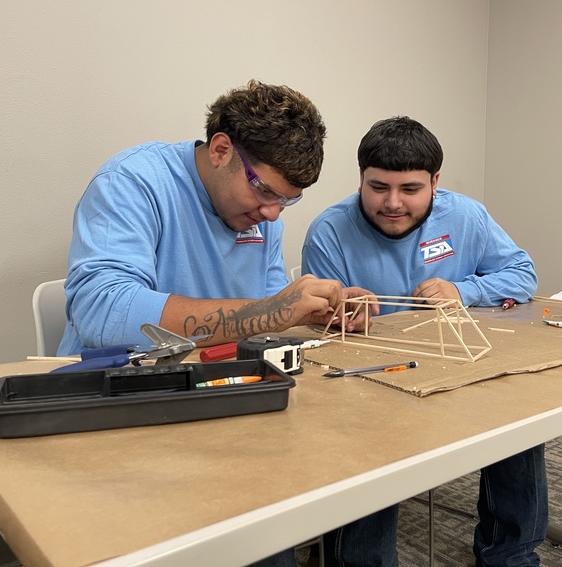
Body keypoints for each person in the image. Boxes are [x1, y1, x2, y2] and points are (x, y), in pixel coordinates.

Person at [57, 80, 374, 567]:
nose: (271, 213)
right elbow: (102, 310)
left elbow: (262, 314)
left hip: (213, 395)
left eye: (287, 201)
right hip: (119, 403)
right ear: (222, 149)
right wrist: (270, 311)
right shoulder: (134, 181)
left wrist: (317, 312)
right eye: (265, 190)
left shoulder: (262, 217)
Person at [302, 116, 546, 567]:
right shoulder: (329, 231)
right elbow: (317, 324)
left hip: (458, 364)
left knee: (520, 416)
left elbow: (523, 275)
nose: (393, 203)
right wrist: (335, 315)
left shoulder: (467, 215)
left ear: (435, 182)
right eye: (378, 187)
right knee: (363, 435)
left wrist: (462, 291)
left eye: (410, 189)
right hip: (373, 382)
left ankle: (510, 555)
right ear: (360, 178)